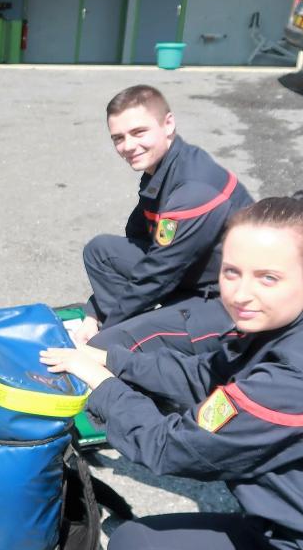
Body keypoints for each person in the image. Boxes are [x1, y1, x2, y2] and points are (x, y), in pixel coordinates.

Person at [41, 192, 303, 550]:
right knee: (130, 543)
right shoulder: (287, 329)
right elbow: (204, 376)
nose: (241, 294)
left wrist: (102, 385)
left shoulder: (298, 379)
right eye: (231, 272)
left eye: (268, 278)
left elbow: (169, 447)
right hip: (292, 533)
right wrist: (111, 359)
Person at [73, 85, 253, 356]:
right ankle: (138, 330)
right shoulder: (163, 168)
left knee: (105, 346)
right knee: (100, 252)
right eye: (118, 138)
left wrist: (107, 328)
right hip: (191, 276)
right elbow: (139, 239)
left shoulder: (194, 189)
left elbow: (156, 274)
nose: (128, 146)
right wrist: (93, 312)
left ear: (168, 124)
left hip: (226, 303)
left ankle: (150, 349)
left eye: (138, 132)